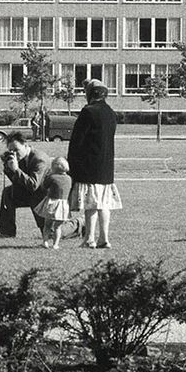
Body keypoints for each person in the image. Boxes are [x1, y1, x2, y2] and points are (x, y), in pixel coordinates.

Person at [66, 80, 119, 248]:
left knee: (91, 204)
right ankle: (104, 238)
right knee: (104, 204)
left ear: (90, 94)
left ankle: (89, 238)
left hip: (88, 165)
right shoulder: (111, 113)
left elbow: (77, 141)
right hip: (106, 166)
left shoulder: (88, 112)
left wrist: (72, 163)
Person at [0, 131, 51, 239]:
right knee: (8, 192)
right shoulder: (19, 158)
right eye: (11, 151)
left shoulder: (39, 159)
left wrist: (16, 169)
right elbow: (17, 182)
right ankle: (6, 232)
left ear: (25, 145)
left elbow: (33, 185)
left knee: (52, 234)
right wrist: (8, 168)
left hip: (43, 196)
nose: (14, 154)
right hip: (30, 193)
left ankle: (79, 225)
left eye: (16, 150)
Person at [35, 156, 73, 249]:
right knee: (58, 227)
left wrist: (46, 176)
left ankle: (45, 242)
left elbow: (44, 186)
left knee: (47, 224)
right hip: (63, 205)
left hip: (52, 203)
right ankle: (56, 244)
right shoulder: (69, 178)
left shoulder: (52, 177)